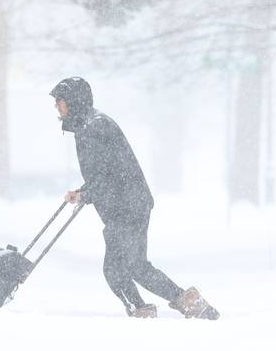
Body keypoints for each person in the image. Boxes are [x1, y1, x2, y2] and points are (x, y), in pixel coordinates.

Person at [50, 77, 219, 319]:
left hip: (128, 205)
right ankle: (153, 308)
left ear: (74, 101)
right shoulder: (88, 126)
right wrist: (83, 192)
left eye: (60, 100)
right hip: (125, 204)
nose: (57, 106)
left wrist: (87, 194)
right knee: (121, 268)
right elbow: (103, 173)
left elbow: (111, 174)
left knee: (128, 267)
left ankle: (171, 305)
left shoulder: (95, 127)